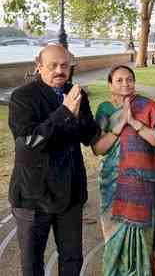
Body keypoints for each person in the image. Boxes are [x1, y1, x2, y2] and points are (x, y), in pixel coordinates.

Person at [8, 43, 101, 276]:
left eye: (64, 65)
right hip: (33, 195)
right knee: (32, 264)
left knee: (72, 260)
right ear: (39, 67)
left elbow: (89, 136)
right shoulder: (22, 97)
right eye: (53, 66)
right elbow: (29, 144)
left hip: (70, 194)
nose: (60, 70)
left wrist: (79, 116)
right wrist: (64, 113)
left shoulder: (76, 93)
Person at [92, 65, 155, 276]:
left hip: (141, 183)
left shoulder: (149, 107)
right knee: (113, 234)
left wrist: (134, 123)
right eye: (119, 80)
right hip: (112, 180)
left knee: (142, 235)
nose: (125, 84)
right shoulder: (105, 110)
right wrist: (120, 124)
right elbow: (98, 148)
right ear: (110, 85)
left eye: (129, 79)